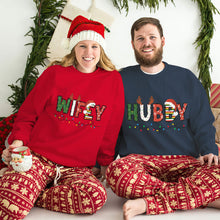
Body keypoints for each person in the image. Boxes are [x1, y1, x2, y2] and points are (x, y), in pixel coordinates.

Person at [0, 15, 124, 219]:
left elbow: (111, 128)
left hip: (77, 167)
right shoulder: (55, 74)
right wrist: (18, 143)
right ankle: (23, 190)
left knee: (95, 198)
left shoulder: (113, 80)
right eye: (82, 45)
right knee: (10, 207)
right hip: (39, 158)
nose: (88, 52)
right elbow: (27, 115)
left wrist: (104, 163)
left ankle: (33, 194)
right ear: (74, 47)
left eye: (94, 46)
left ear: (101, 50)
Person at [105, 17, 220, 220]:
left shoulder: (186, 78)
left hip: (184, 161)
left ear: (163, 41)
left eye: (152, 37)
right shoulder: (119, 79)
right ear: (133, 44)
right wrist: (103, 161)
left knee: (217, 171)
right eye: (140, 38)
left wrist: (209, 149)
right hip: (139, 162)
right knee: (117, 173)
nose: (146, 43)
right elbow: (111, 126)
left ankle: (149, 203)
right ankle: (203, 198)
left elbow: (202, 121)